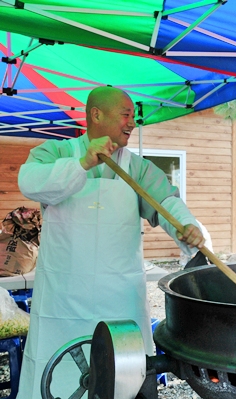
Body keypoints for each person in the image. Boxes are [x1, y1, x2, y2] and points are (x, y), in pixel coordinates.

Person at [17, 86, 206, 399]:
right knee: (57, 373)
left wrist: (186, 227)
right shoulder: (58, 153)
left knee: (124, 379)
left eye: (133, 116)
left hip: (120, 299)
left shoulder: (138, 168)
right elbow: (30, 180)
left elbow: (165, 201)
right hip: (64, 300)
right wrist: (83, 163)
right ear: (96, 115)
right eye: (125, 114)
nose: (132, 123)